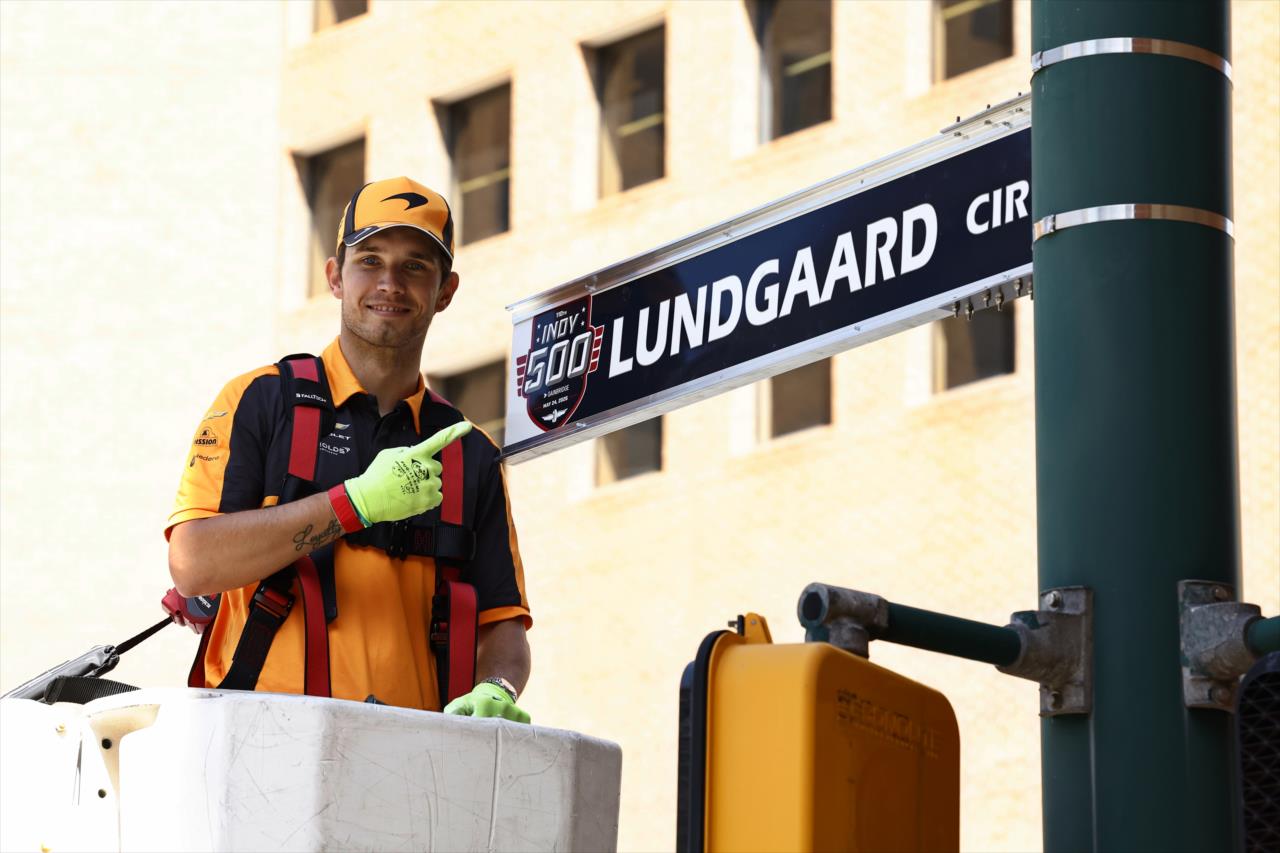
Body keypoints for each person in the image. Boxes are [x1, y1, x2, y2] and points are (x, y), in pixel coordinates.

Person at [166, 176, 531, 721]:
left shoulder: (469, 452)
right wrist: (352, 505)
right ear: (336, 276)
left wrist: (498, 688)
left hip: (412, 762)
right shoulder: (262, 401)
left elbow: (501, 623)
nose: (390, 282)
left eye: (415, 266)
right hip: (257, 746)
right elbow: (193, 563)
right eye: (370, 260)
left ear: (446, 291)